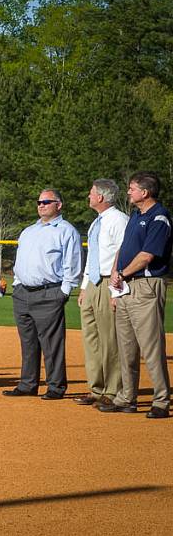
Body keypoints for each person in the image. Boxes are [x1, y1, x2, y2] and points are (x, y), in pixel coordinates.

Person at [101, 171, 171, 419]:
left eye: (132, 188)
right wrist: (115, 279)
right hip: (125, 286)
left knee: (151, 346)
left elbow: (147, 255)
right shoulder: (135, 215)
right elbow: (123, 249)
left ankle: (161, 401)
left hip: (145, 286)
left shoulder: (159, 217)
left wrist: (122, 273)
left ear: (145, 192)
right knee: (126, 346)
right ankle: (126, 398)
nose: (128, 192)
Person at [3, 189, 82, 400]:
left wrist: (64, 291)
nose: (41, 205)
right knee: (28, 342)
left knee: (51, 343)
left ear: (59, 205)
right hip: (22, 293)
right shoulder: (28, 231)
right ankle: (28, 384)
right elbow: (21, 261)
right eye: (39, 201)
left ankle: (56, 387)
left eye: (47, 201)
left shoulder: (66, 231)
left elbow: (72, 264)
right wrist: (17, 285)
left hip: (49, 293)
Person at [73, 180, 128, 408]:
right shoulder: (97, 222)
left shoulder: (119, 220)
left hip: (109, 281)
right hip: (94, 283)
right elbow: (93, 255)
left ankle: (113, 389)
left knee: (109, 339)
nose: (88, 196)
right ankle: (96, 388)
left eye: (92, 193)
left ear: (102, 197)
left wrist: (116, 291)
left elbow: (123, 256)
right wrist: (85, 286)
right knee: (91, 338)